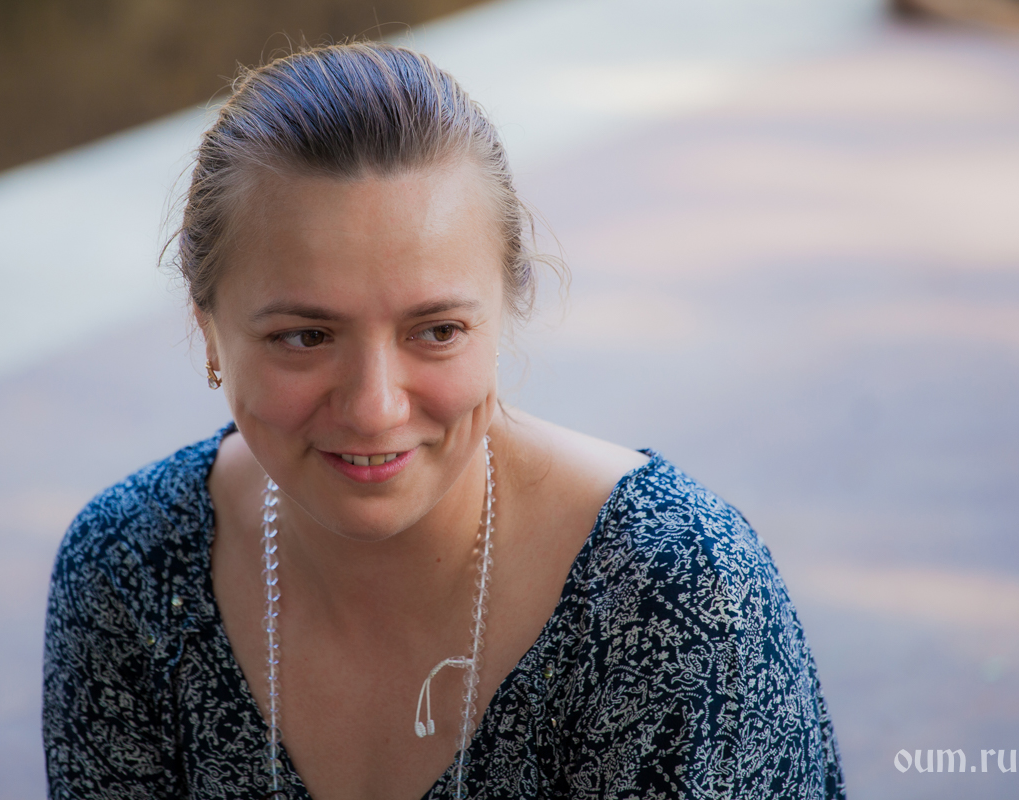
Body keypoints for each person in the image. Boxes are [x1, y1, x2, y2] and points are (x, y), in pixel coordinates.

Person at [42, 41, 846, 800]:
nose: (374, 407)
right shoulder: (129, 570)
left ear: (504, 314)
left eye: (436, 331)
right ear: (209, 330)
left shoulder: (677, 591)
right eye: (306, 337)